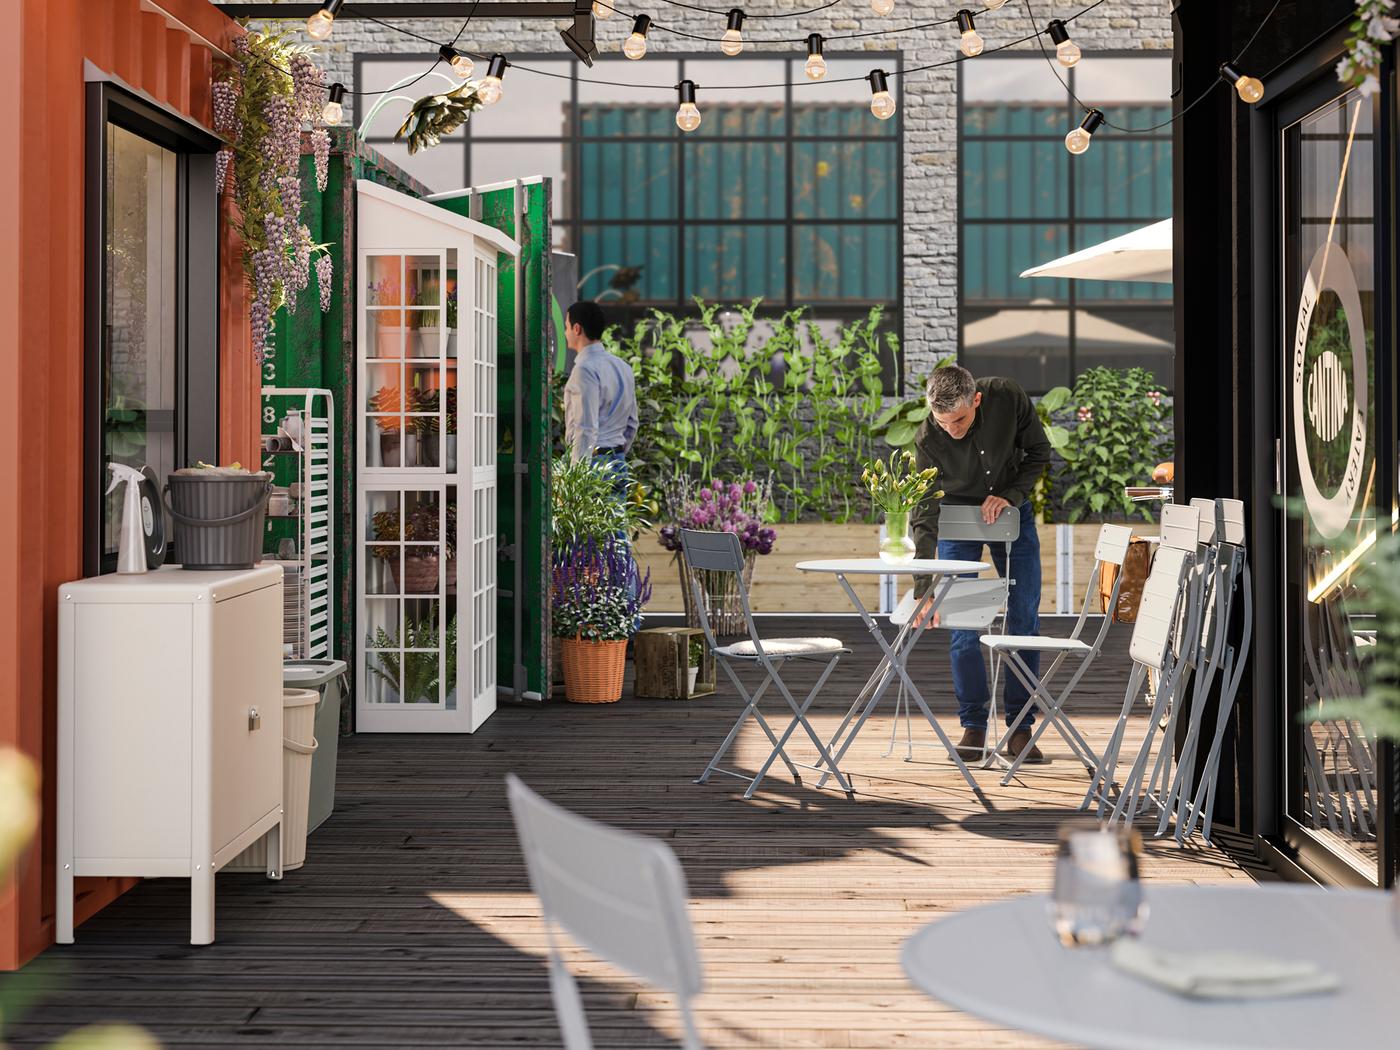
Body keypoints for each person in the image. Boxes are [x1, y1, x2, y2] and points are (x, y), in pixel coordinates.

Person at [911, 365, 1051, 763]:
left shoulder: (1007, 395)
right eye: (942, 422)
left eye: (959, 421)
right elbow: (923, 515)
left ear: (976, 400)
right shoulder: (928, 438)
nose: (951, 430)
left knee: (1023, 617)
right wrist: (925, 588)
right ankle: (973, 726)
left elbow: (1039, 453)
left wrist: (1010, 494)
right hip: (958, 521)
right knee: (963, 624)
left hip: (1012, 512)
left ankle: (1021, 728)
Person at [562, 301, 638, 491]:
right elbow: (632, 423)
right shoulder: (624, 367)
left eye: (566, 327)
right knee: (617, 520)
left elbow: (585, 427)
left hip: (594, 465)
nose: (565, 333)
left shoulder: (584, 370)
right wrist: (616, 453)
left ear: (577, 329)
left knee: (587, 521)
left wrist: (576, 478)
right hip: (618, 462)